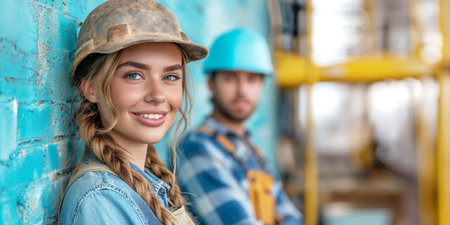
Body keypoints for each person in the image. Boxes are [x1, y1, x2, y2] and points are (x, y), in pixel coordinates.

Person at [59, 0, 208, 224]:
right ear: (90, 88)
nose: (157, 95)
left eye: (170, 77)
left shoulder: (146, 181)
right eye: (134, 75)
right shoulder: (101, 199)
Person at [176, 29, 304, 225]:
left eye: (252, 80)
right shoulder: (196, 148)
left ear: (261, 86)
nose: (242, 90)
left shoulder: (252, 151)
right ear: (211, 85)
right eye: (230, 78)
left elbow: (292, 218)